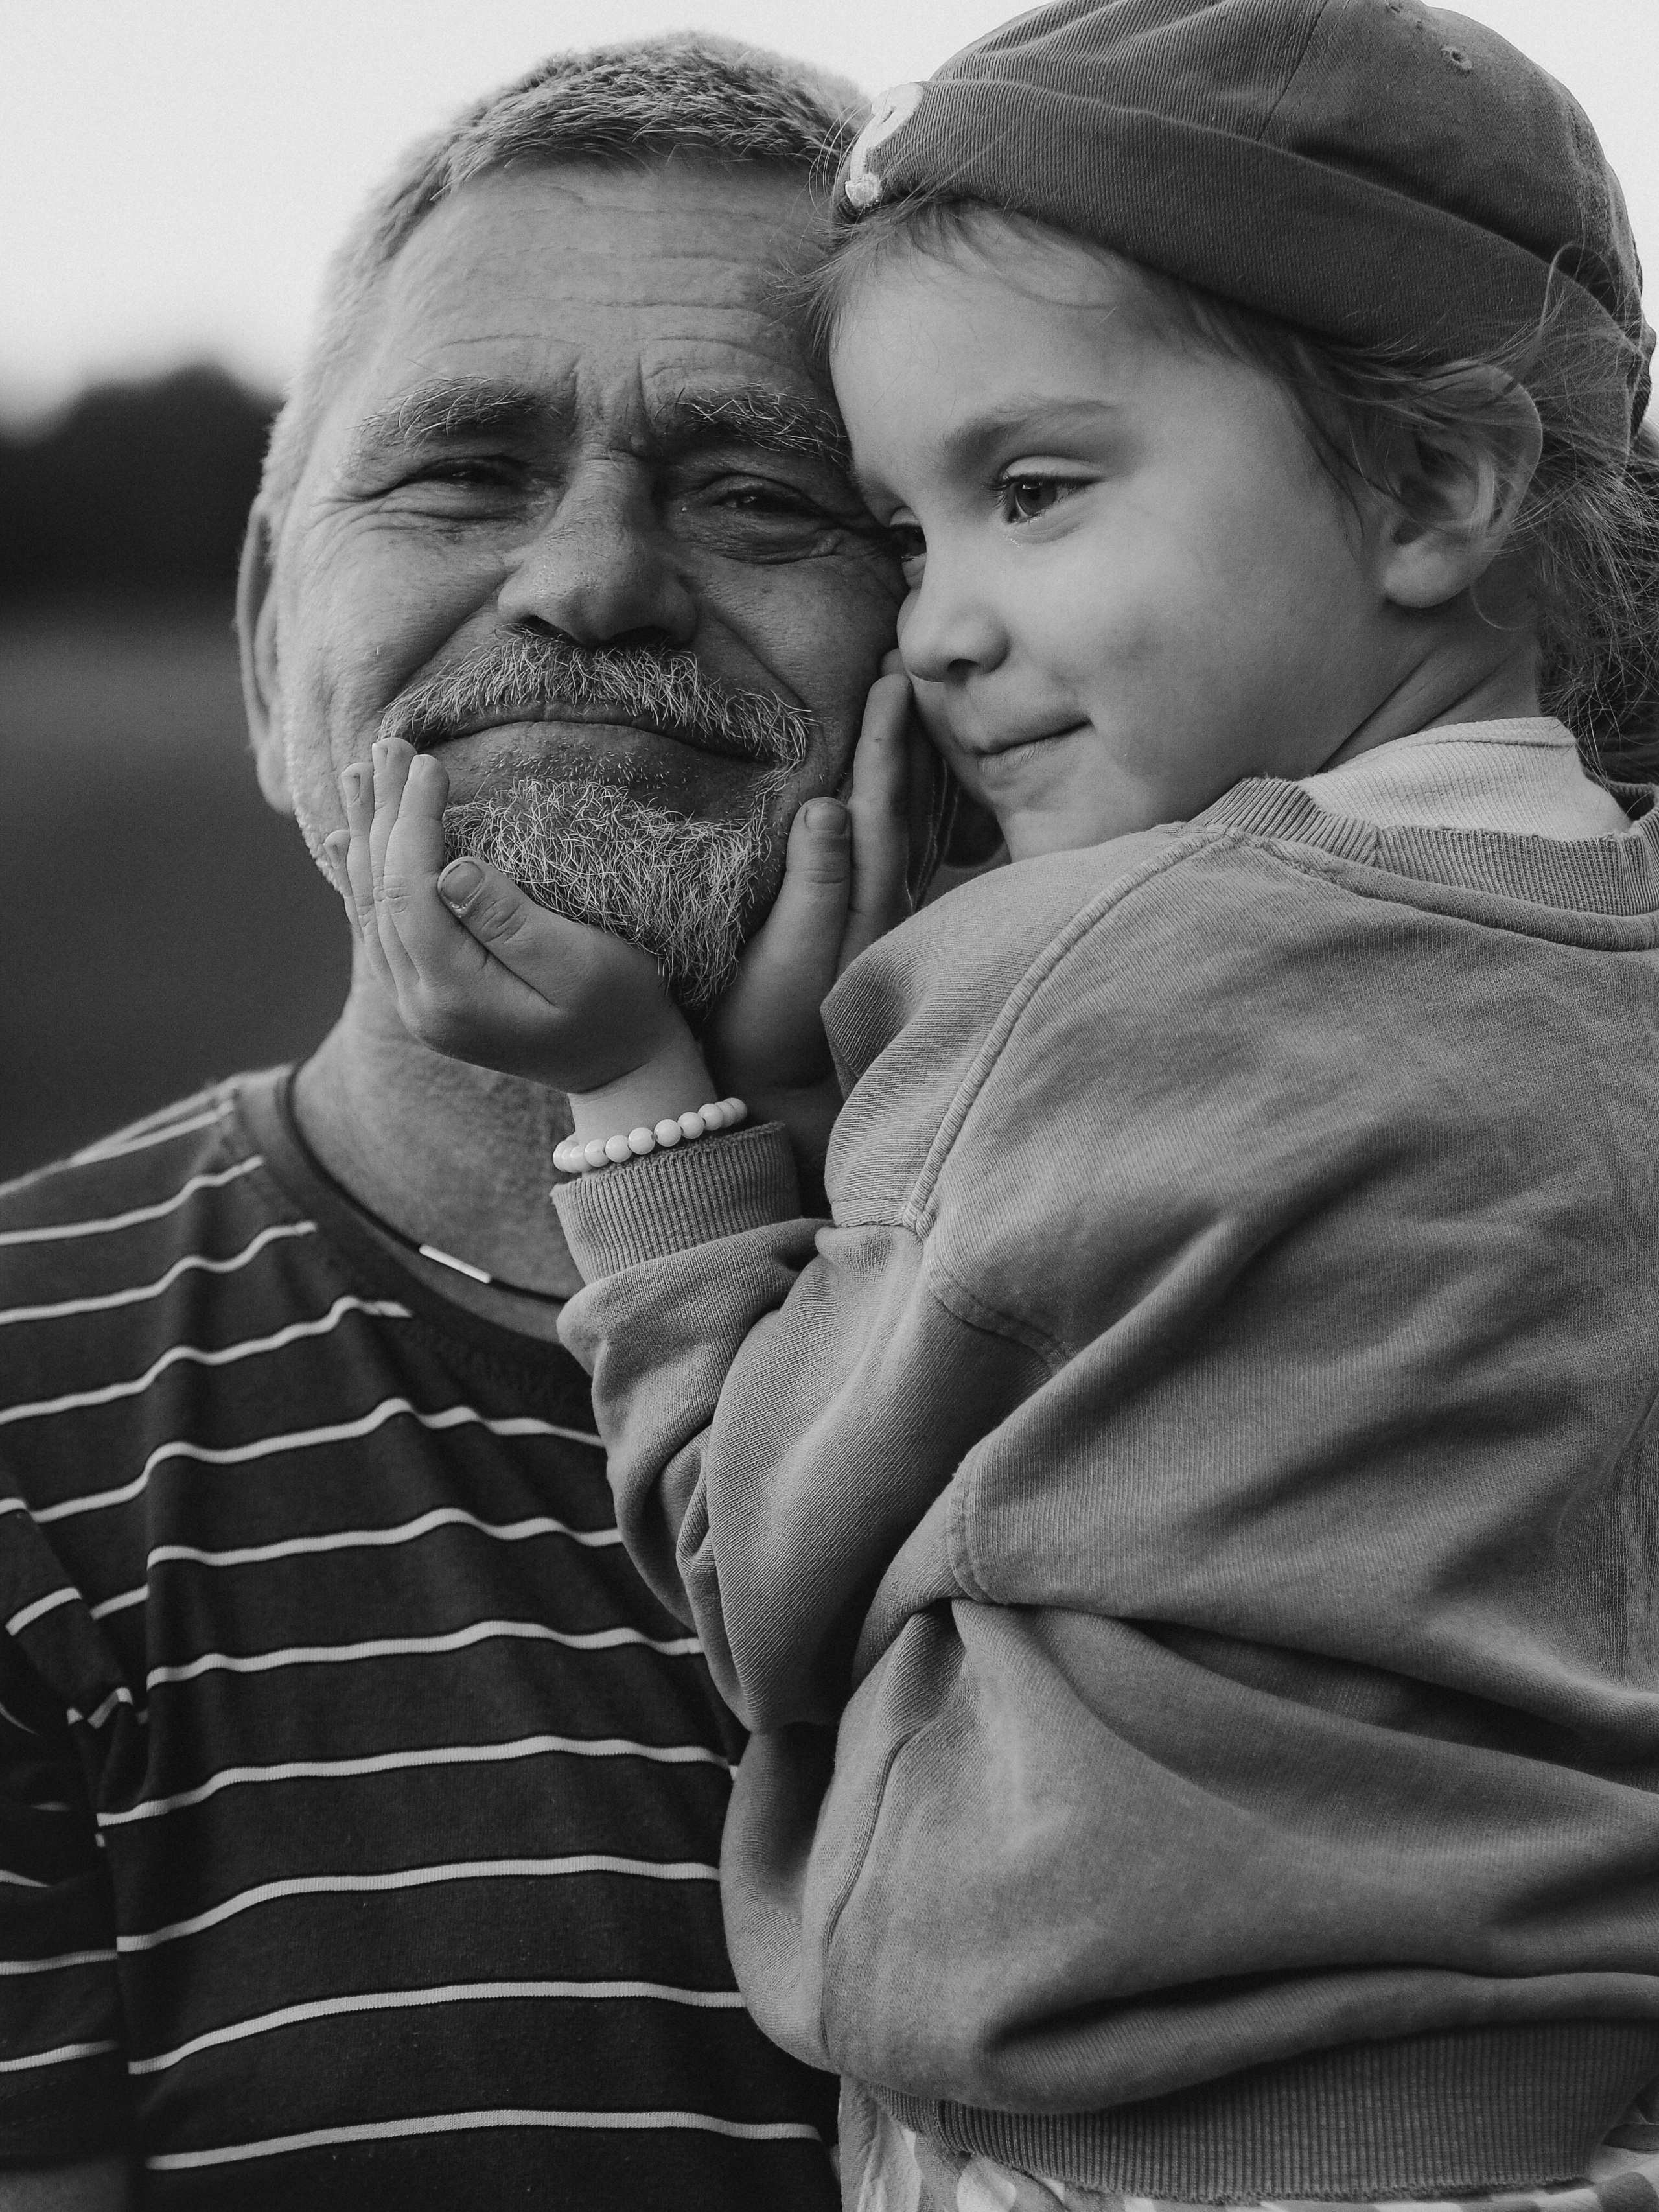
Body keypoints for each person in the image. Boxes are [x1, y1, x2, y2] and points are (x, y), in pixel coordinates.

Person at [342, 3, 1659, 2211]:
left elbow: (765, 1581)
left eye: (1032, 494)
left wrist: (659, 1108)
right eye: (897, 531)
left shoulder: (1080, 969)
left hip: (1132, 2152)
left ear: (1438, 489)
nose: (938, 634)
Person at [0, 32, 923, 2209]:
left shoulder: (1269, 1299)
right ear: (260, 643)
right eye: (461, 473)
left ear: (971, 625)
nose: (595, 580)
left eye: (765, 492)